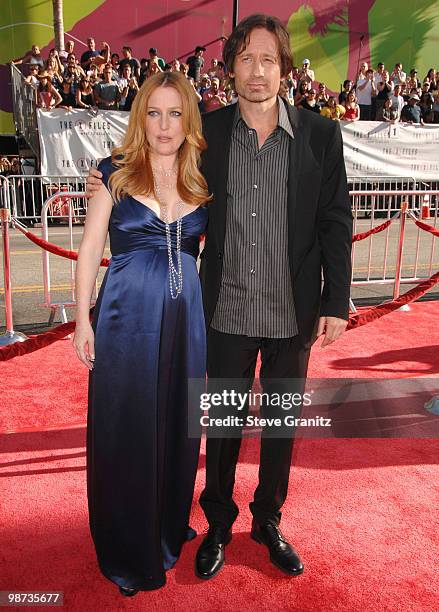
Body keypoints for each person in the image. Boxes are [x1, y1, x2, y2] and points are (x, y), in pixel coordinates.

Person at [86, 13, 352, 582]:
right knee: (222, 427)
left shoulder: (322, 136)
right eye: (246, 59)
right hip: (224, 313)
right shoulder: (208, 132)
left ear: (284, 68)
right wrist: (105, 172)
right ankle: (218, 524)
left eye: (268, 59)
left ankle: (269, 520)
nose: (257, 71)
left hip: (294, 312)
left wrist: (336, 301)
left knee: (281, 430)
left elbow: (335, 220)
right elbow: (156, 157)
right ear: (230, 68)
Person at [74, 71, 210, 596]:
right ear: (140, 118)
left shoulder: (203, 179)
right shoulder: (114, 173)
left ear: (188, 120)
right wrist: (82, 319)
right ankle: (129, 544)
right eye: (154, 112)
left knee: (179, 425)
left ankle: (166, 525)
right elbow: (89, 249)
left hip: (186, 324)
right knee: (125, 426)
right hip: (125, 319)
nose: (164, 124)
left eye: (175, 113)